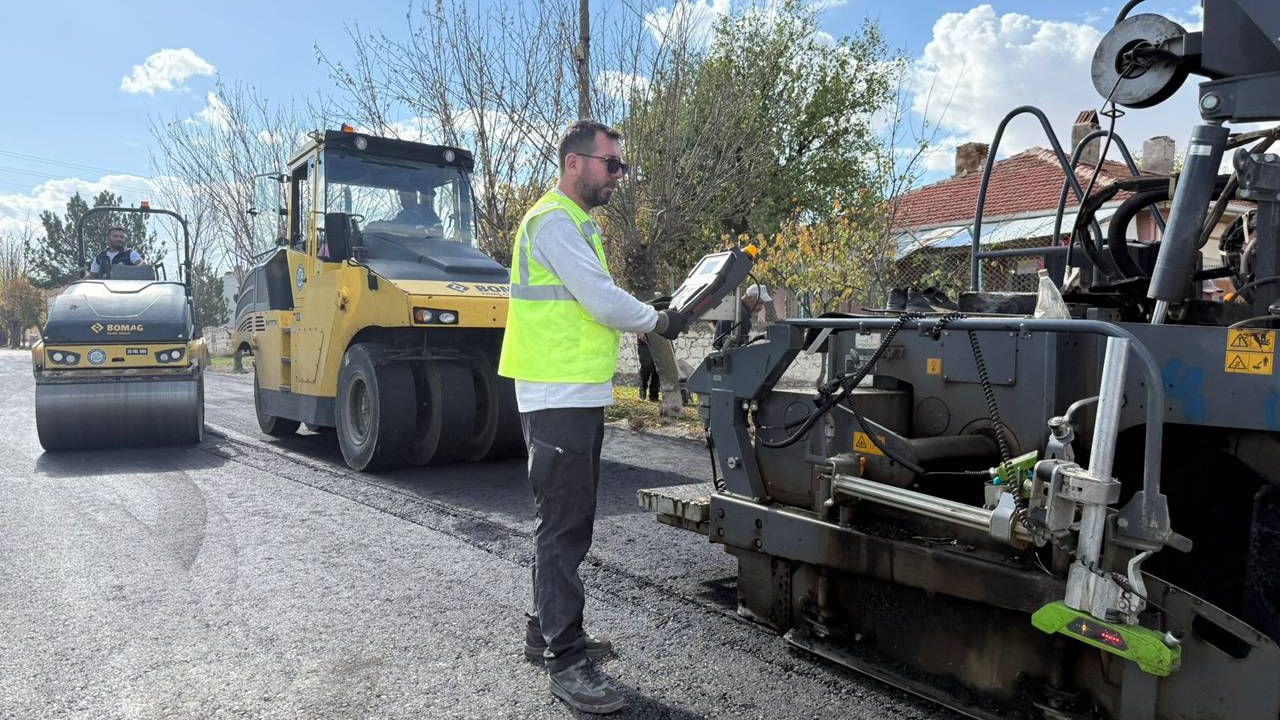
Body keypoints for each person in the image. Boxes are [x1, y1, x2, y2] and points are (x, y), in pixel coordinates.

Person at [497, 120, 688, 715]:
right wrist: (661, 320)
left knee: (560, 520)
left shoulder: (574, 226)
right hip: (557, 395)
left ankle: (546, 632)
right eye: (612, 165)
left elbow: (597, 301)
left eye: (621, 166)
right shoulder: (553, 221)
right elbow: (601, 301)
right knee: (564, 524)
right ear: (575, 163)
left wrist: (652, 312)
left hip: (570, 392)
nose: (619, 177)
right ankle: (565, 661)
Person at [712, 283, 771, 350]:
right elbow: (741, 348)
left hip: (719, 353)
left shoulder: (732, 308)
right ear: (749, 298)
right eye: (760, 303)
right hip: (727, 356)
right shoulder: (742, 315)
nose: (761, 308)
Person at [636, 332, 659, 401]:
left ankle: (654, 395)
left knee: (657, 369)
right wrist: (639, 332)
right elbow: (637, 321)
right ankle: (642, 389)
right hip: (644, 340)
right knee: (646, 366)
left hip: (658, 340)